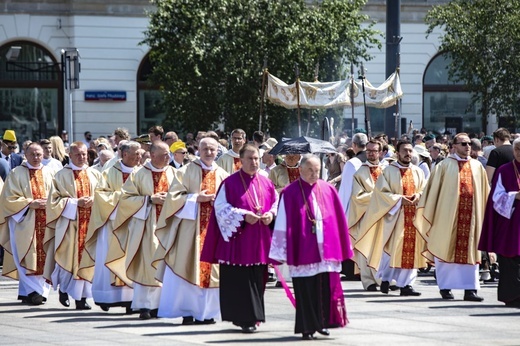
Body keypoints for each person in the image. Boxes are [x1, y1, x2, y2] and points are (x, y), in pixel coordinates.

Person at [269, 154, 351, 340]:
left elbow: (339, 220)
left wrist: (343, 245)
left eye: (317, 171)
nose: (315, 174)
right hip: (303, 249)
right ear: (300, 170)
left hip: (327, 250)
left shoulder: (328, 189)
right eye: (310, 171)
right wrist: (279, 252)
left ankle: (323, 323)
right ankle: (307, 327)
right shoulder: (289, 193)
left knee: (325, 289)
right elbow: (282, 222)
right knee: (306, 289)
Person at [201, 144, 278, 333]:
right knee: (241, 281)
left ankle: (253, 317)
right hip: (239, 242)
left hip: (260, 241)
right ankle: (245, 319)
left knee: (258, 279)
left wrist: (271, 214)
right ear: (241, 160)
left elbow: (276, 202)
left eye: (257, 159)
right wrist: (243, 216)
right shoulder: (230, 182)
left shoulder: (266, 182)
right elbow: (220, 208)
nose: (254, 162)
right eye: (250, 159)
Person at [154, 138, 229, 324]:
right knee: (186, 266)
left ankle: (207, 313)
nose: (209, 152)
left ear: (217, 151)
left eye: (212, 149)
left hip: (214, 230)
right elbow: (173, 198)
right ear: (198, 150)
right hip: (189, 230)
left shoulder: (223, 174)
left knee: (212, 271)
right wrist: (196, 198)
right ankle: (187, 310)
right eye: (205, 149)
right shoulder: (186, 171)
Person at [415, 133, 490, 301]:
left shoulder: (477, 167)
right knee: (445, 249)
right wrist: (432, 215)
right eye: (463, 143)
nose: (467, 146)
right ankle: (445, 287)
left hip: (471, 219)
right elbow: (432, 193)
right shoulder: (444, 166)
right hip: (447, 219)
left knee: (471, 251)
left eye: (469, 143)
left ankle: (470, 289)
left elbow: (485, 194)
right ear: (454, 146)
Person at [108, 141, 175, 320]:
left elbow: (180, 195)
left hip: (168, 226)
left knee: (164, 264)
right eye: (163, 155)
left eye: (169, 154)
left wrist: (171, 199)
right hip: (146, 226)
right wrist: (150, 200)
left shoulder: (174, 173)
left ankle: (159, 306)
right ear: (152, 155)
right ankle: (144, 306)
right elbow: (126, 199)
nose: (168, 158)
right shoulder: (139, 174)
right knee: (146, 263)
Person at [356, 140, 427, 296]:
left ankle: (406, 285)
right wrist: (399, 199)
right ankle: (386, 278)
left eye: (410, 151)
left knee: (411, 250)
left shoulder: (418, 171)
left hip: (414, 217)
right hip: (394, 216)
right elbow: (380, 194)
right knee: (392, 250)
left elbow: (425, 190)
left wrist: (419, 195)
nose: (408, 154)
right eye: (404, 151)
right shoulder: (389, 171)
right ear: (397, 153)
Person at [77, 141, 141, 313]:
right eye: (136, 154)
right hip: (112, 224)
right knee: (108, 258)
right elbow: (101, 197)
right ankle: (107, 297)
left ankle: (131, 299)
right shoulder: (109, 172)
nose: (139, 157)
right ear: (125, 154)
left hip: (134, 224)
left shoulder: (141, 173)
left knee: (131, 259)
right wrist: (127, 199)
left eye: (140, 154)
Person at [43, 142, 102, 310]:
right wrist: (76, 203)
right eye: (78, 155)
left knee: (87, 260)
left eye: (84, 154)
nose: (82, 157)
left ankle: (82, 299)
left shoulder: (94, 174)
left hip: (90, 224)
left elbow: (103, 196)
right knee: (67, 259)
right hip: (69, 225)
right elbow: (53, 202)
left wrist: (94, 200)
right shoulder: (61, 175)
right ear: (70, 155)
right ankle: (64, 290)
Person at [0, 143, 53, 305]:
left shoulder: (50, 172)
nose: (36, 158)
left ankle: (29, 292)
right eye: (33, 155)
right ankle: (35, 292)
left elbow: (57, 195)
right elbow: (8, 199)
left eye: (39, 154)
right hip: (24, 222)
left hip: (46, 221)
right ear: (26, 155)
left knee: (45, 256)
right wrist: (31, 203)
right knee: (27, 255)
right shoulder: (16, 173)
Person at [479, 137, 520, 307]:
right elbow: (496, 198)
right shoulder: (504, 170)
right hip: (510, 222)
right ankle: (512, 297)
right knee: (510, 260)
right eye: (517, 149)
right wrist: (514, 196)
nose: (519, 153)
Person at [348, 139, 387, 291]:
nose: (371, 153)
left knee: (383, 249)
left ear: (381, 152)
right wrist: (380, 197)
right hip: (365, 216)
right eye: (368, 150)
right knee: (365, 247)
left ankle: (386, 279)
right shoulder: (360, 172)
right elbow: (357, 197)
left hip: (385, 216)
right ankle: (368, 280)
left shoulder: (388, 170)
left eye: (374, 151)